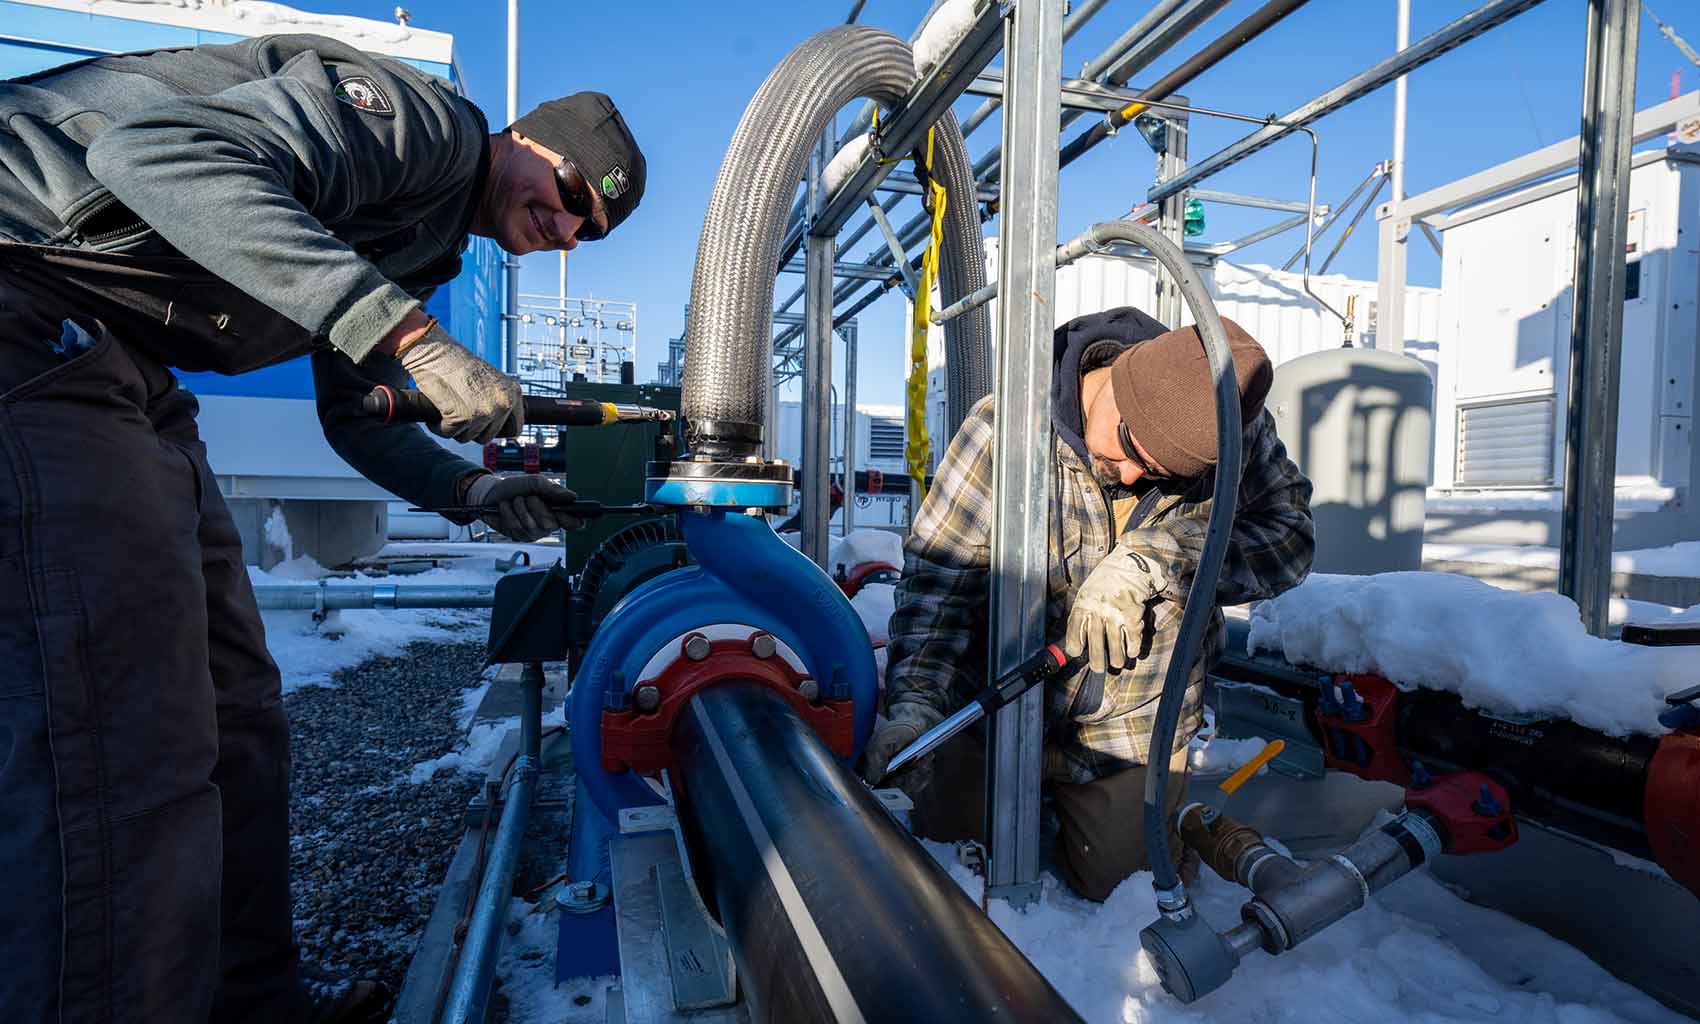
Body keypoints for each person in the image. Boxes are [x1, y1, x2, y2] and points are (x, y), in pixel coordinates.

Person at [0, 34, 644, 1021]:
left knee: (234, 709)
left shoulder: (423, 241)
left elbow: (357, 414)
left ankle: (251, 1001)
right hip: (24, 293)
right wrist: (415, 339)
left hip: (113, 347)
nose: (564, 228)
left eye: (585, 232)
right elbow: (157, 156)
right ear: (524, 138)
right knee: (119, 726)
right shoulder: (421, 126)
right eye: (568, 194)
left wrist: (467, 493)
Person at [862, 307, 1314, 902]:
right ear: (1118, 381)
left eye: (1155, 475)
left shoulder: (1233, 433)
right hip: (988, 712)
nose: (1128, 477)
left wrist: (1164, 555)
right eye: (1128, 447)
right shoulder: (1006, 429)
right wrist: (916, 706)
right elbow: (939, 583)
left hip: (1133, 722)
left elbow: (1291, 539)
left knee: (1124, 892)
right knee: (947, 871)